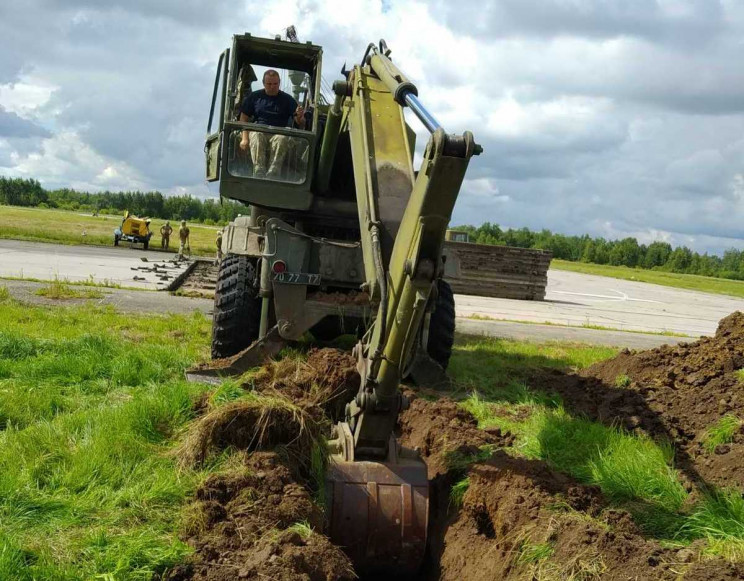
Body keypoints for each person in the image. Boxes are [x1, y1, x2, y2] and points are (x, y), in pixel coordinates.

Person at [239, 69, 305, 178]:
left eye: (275, 84)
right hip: (260, 131)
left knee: (281, 138)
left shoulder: (288, 100)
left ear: (279, 83)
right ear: (263, 83)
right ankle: (258, 171)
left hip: (279, 133)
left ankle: (273, 173)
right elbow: (243, 117)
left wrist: (299, 116)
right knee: (256, 135)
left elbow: (299, 122)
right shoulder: (255, 97)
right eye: (269, 84)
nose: (272, 87)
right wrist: (244, 138)